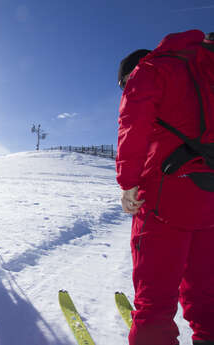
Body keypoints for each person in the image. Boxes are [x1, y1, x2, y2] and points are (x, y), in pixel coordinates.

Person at [116, 30, 214, 345]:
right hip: (209, 196)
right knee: (206, 290)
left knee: (155, 298)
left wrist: (128, 182)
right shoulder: (203, 64)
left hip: (162, 197)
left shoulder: (151, 70)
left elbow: (133, 124)